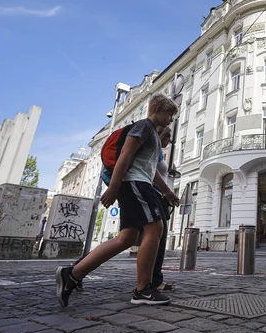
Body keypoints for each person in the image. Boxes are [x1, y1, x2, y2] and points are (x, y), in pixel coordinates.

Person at [55, 94, 180, 307]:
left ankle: (73, 274)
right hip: (135, 185)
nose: (170, 120)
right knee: (155, 229)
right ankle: (143, 290)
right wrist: (113, 187)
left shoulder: (151, 135)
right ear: (158, 109)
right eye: (169, 114)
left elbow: (150, 170)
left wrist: (168, 192)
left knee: (127, 238)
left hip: (136, 184)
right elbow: (125, 154)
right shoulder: (144, 126)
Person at [152, 125, 176, 291]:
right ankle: (154, 281)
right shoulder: (152, 148)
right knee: (158, 238)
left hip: (155, 197)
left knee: (127, 239)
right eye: (167, 136)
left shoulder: (157, 150)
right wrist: (168, 193)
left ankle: (76, 271)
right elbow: (151, 171)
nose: (170, 140)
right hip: (152, 197)